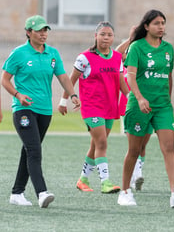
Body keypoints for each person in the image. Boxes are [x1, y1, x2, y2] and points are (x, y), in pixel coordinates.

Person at [1, 15, 80, 208]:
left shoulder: (52, 53)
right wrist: (18, 95)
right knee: (35, 151)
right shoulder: (19, 53)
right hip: (23, 110)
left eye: (45, 30)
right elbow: (4, 80)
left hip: (45, 111)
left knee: (28, 151)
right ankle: (42, 192)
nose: (43, 34)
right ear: (29, 33)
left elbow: (62, 77)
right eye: (39, 30)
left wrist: (72, 95)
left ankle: (17, 193)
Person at [117, 9, 174, 207]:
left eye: (163, 23)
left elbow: (168, 76)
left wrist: (167, 100)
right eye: (157, 23)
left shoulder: (168, 48)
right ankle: (124, 191)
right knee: (134, 150)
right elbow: (130, 76)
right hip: (139, 105)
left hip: (162, 106)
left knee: (169, 147)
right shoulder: (136, 47)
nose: (161, 27)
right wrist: (140, 98)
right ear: (147, 26)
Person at [58, 21, 128, 194]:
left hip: (109, 107)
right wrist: (63, 100)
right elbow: (70, 80)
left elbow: (121, 84)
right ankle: (106, 182)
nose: (106, 37)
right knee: (102, 143)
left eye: (109, 34)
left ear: (113, 38)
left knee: (96, 144)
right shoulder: (84, 58)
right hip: (91, 107)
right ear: (95, 36)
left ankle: (82, 179)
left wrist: (133, 99)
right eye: (102, 34)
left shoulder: (117, 58)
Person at [115, 28, 152, 191]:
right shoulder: (123, 64)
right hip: (129, 107)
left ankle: (137, 172)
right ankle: (136, 174)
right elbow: (117, 52)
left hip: (148, 105)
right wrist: (131, 38)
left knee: (143, 144)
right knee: (134, 145)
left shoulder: (145, 60)